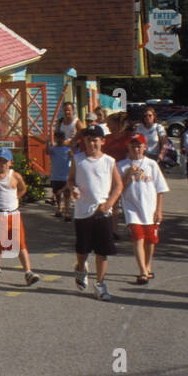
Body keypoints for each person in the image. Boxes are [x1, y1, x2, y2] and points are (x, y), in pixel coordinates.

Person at [65, 125, 123, 301]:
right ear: (84, 141)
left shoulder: (109, 161)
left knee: (102, 251)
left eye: (95, 140)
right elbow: (70, 179)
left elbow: (118, 185)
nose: (92, 143)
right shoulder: (78, 159)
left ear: (102, 141)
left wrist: (109, 203)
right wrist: (73, 188)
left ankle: (100, 284)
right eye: (88, 139)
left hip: (102, 212)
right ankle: (81, 268)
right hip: (83, 212)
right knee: (82, 250)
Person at [0, 148, 41, 285]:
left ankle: (28, 273)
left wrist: (17, 198)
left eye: (5, 161)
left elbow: (23, 188)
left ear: (10, 162)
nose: (2, 164)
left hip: (13, 214)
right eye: (0, 160)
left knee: (19, 244)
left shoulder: (15, 176)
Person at [119, 133, 168, 283]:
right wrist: (128, 175)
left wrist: (159, 210)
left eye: (139, 145)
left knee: (150, 240)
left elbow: (160, 189)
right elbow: (118, 188)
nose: (136, 149)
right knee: (138, 238)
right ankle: (142, 272)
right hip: (132, 209)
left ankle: (147, 267)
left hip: (150, 208)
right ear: (128, 147)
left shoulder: (151, 164)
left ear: (144, 147)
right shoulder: (121, 165)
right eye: (133, 145)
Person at [49, 129, 73, 219]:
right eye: (57, 138)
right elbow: (47, 151)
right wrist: (47, 142)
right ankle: (59, 208)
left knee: (67, 194)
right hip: (55, 176)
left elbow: (72, 156)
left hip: (65, 176)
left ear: (64, 139)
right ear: (55, 139)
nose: (59, 140)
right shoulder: (53, 149)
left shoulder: (67, 150)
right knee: (57, 194)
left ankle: (67, 212)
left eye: (61, 138)